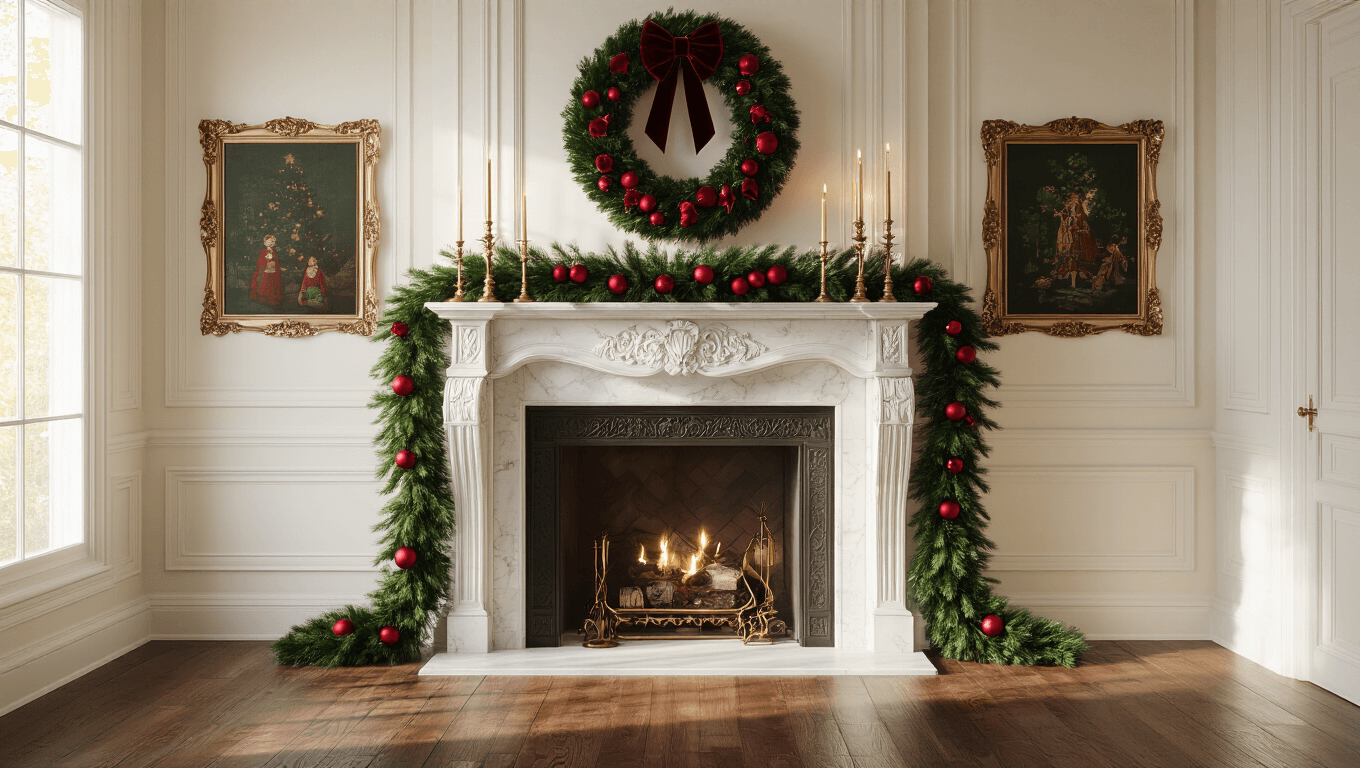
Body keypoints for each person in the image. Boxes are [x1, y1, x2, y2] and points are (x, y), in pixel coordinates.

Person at [249, 234, 283, 307]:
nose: (269, 243)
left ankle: (271, 298)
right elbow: (260, 262)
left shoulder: (274, 251)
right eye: (267, 242)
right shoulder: (263, 252)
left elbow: (276, 261)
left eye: (270, 242)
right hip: (265, 271)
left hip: (272, 270)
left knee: (272, 284)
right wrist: (265, 262)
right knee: (264, 283)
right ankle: (263, 298)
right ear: (265, 243)